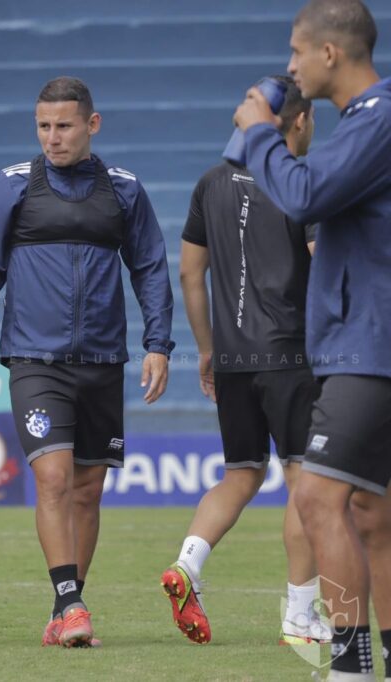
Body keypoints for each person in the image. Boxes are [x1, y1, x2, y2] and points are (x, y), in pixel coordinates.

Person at [0, 76, 174, 648]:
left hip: (103, 360)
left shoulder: (124, 189)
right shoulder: (13, 186)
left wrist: (158, 343)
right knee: (52, 479)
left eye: (64, 126)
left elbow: (150, 267)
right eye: (43, 127)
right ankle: (71, 604)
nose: (52, 138)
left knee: (87, 491)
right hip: (34, 359)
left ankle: (65, 610)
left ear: (91, 124)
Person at [234, 1, 391, 679]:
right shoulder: (366, 123)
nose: (291, 65)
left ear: (330, 54)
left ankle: (352, 661)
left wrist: (260, 133)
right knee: (371, 511)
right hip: (365, 340)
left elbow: (303, 194)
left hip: (371, 344)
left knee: (318, 497)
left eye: (298, 52)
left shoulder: (379, 116)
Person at [162, 76, 330, 647]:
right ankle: (300, 615)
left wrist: (208, 349)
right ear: (300, 122)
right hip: (290, 355)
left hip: (233, 359)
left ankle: (187, 565)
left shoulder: (210, 183)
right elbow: (320, 261)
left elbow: (190, 273)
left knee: (240, 474)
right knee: (304, 483)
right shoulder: (299, 180)